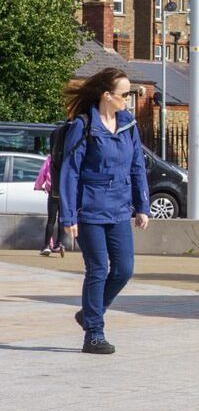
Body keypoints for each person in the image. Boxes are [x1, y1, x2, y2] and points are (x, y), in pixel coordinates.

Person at [58, 68, 151, 354]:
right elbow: (70, 172)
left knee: (123, 270)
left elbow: (137, 166)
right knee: (98, 269)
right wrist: (68, 215)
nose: (129, 100)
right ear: (106, 96)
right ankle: (94, 333)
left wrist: (142, 206)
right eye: (125, 95)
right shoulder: (83, 125)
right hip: (90, 210)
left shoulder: (128, 125)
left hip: (120, 208)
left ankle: (89, 313)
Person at [34, 142, 64, 257]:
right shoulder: (67, 158)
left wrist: (38, 186)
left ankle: (46, 246)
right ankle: (59, 244)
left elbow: (42, 174)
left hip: (53, 192)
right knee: (62, 219)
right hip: (65, 193)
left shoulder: (50, 159)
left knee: (51, 220)